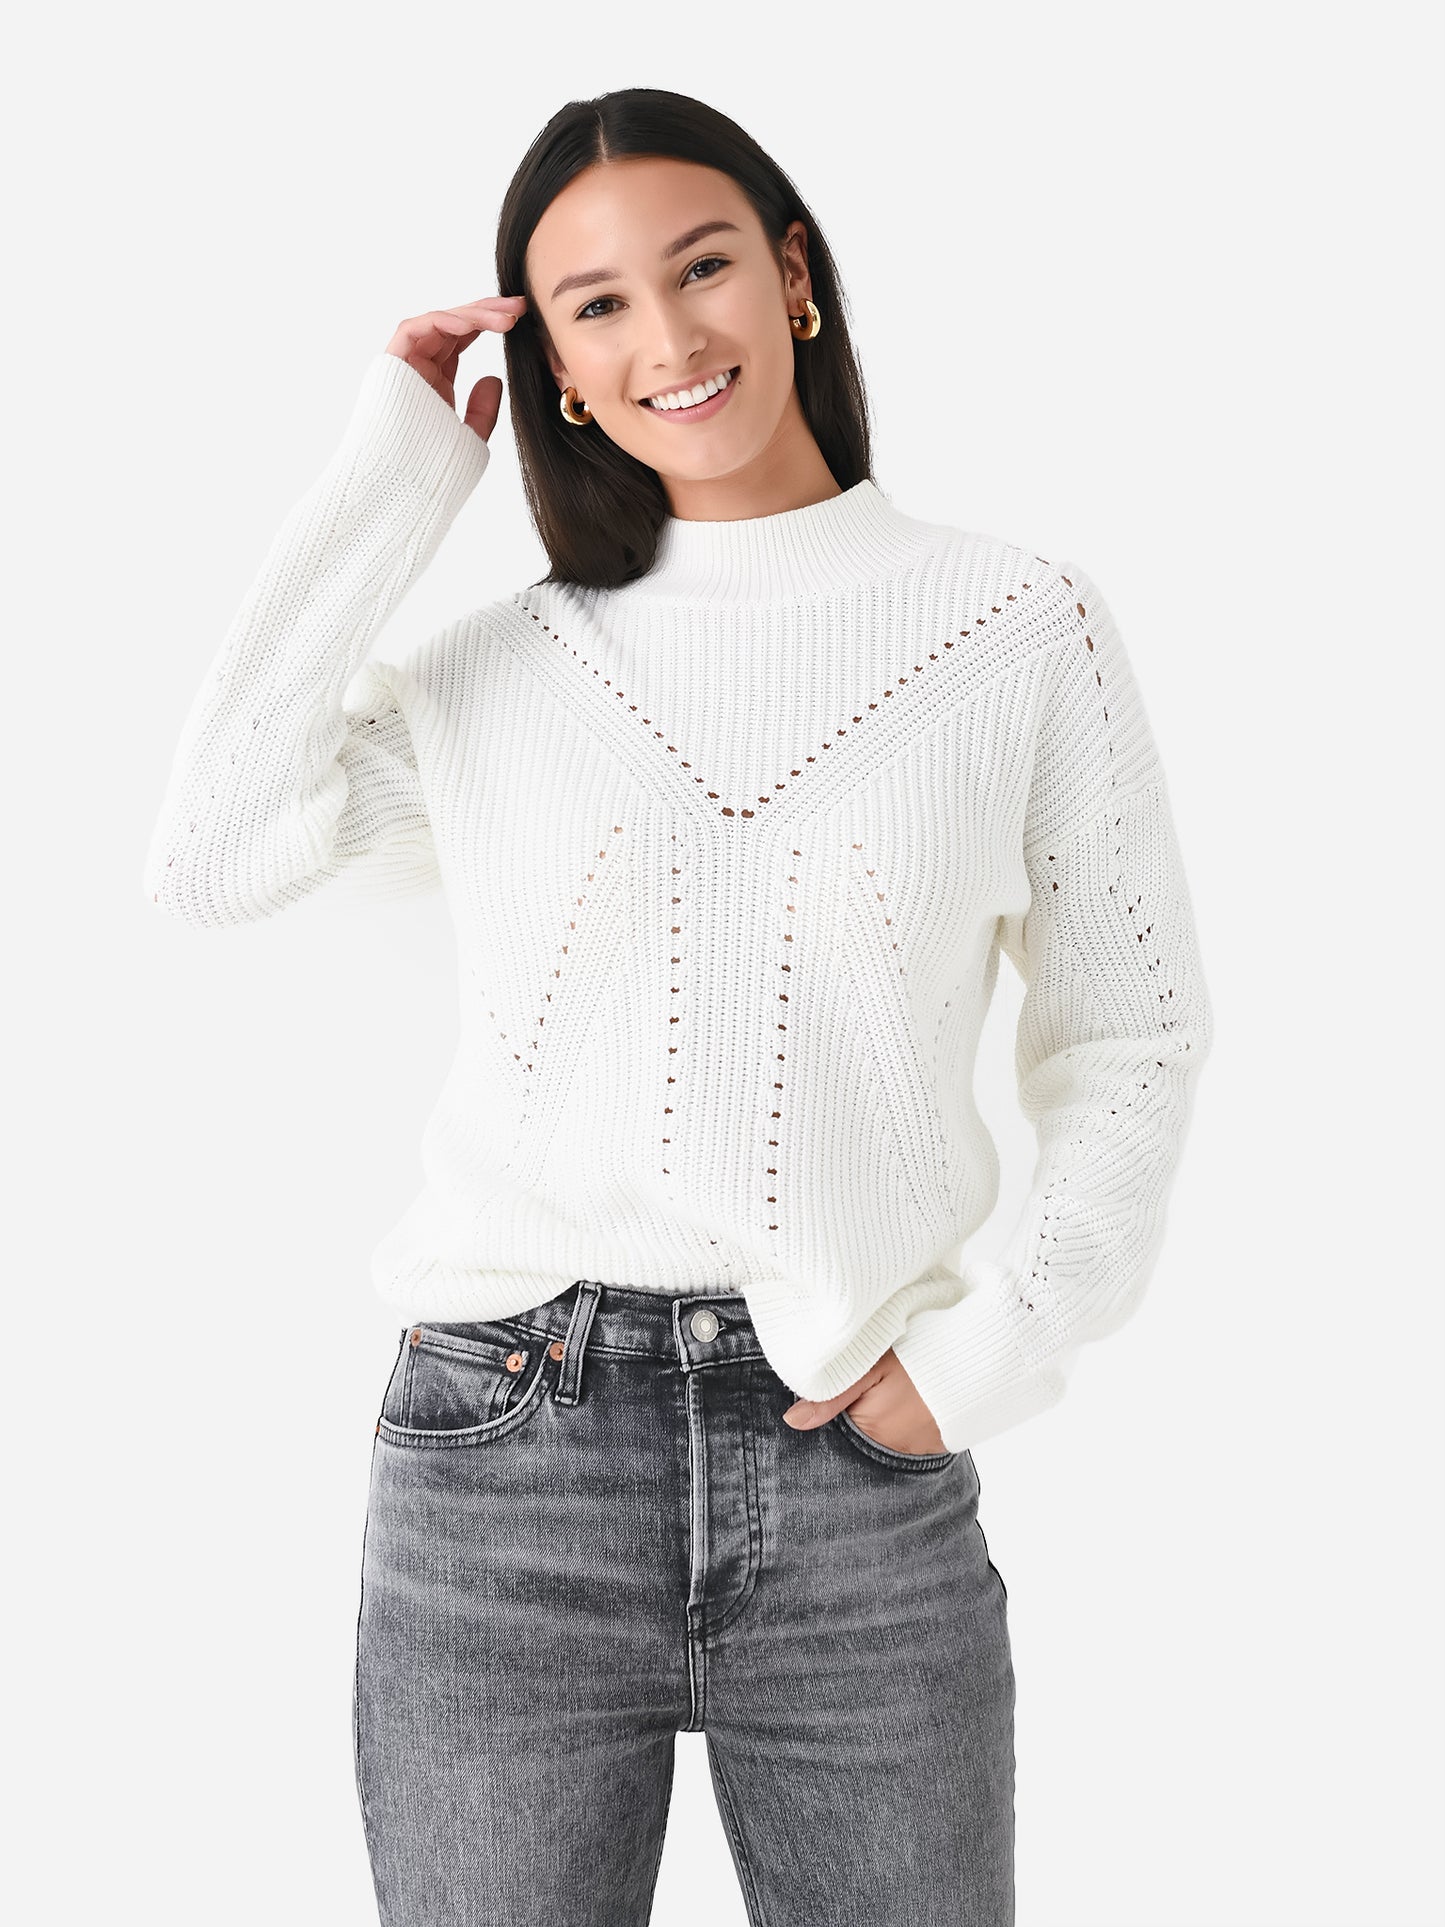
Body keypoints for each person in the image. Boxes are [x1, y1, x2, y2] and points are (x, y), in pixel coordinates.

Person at [142, 86, 1213, 1927]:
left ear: (790, 275)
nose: (667, 336)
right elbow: (214, 853)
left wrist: (988, 1355)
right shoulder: (499, 671)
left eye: (700, 267)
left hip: (853, 1457)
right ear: (552, 367)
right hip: (504, 1460)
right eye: (596, 305)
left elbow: (1131, 1033)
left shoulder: (1013, 628)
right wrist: (392, 481)